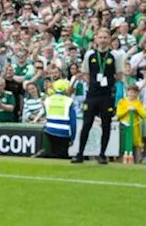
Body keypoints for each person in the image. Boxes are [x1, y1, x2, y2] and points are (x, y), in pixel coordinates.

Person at [73, 29, 120, 164]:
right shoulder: (90, 55)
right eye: (100, 37)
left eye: (105, 37)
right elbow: (85, 73)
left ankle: (102, 154)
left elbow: (119, 74)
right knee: (87, 123)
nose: (103, 40)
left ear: (109, 39)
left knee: (106, 124)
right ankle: (80, 153)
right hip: (92, 95)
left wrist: (109, 84)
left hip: (106, 96)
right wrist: (93, 84)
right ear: (96, 39)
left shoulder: (114, 56)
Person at [40, 79, 76, 159]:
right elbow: (73, 122)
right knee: (63, 155)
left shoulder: (48, 100)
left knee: (54, 153)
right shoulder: (69, 101)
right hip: (64, 133)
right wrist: (73, 137)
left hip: (50, 131)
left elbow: (46, 115)